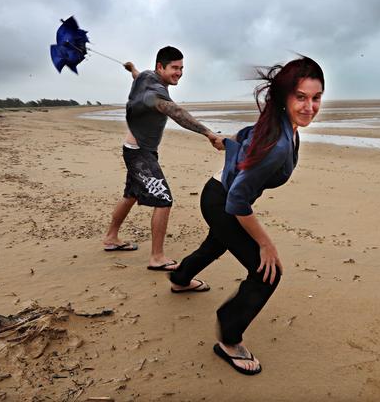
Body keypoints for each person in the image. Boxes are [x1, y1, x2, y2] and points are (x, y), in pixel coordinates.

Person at [169, 56, 325, 375]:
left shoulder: (278, 124)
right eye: (301, 97)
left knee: (216, 244)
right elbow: (238, 201)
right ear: (285, 98)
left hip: (216, 192)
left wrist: (225, 141)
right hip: (222, 200)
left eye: (316, 97)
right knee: (267, 273)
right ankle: (229, 336)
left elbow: (244, 138)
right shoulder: (278, 143)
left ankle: (181, 278)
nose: (310, 106)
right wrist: (267, 245)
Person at [102, 46, 224, 271]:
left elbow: (139, 76)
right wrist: (208, 133)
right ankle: (156, 257)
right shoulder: (154, 93)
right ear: (161, 67)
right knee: (163, 199)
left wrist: (132, 69)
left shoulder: (146, 75)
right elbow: (176, 113)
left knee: (130, 194)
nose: (179, 73)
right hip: (140, 153)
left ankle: (111, 238)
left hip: (136, 149)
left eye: (181, 68)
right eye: (174, 68)